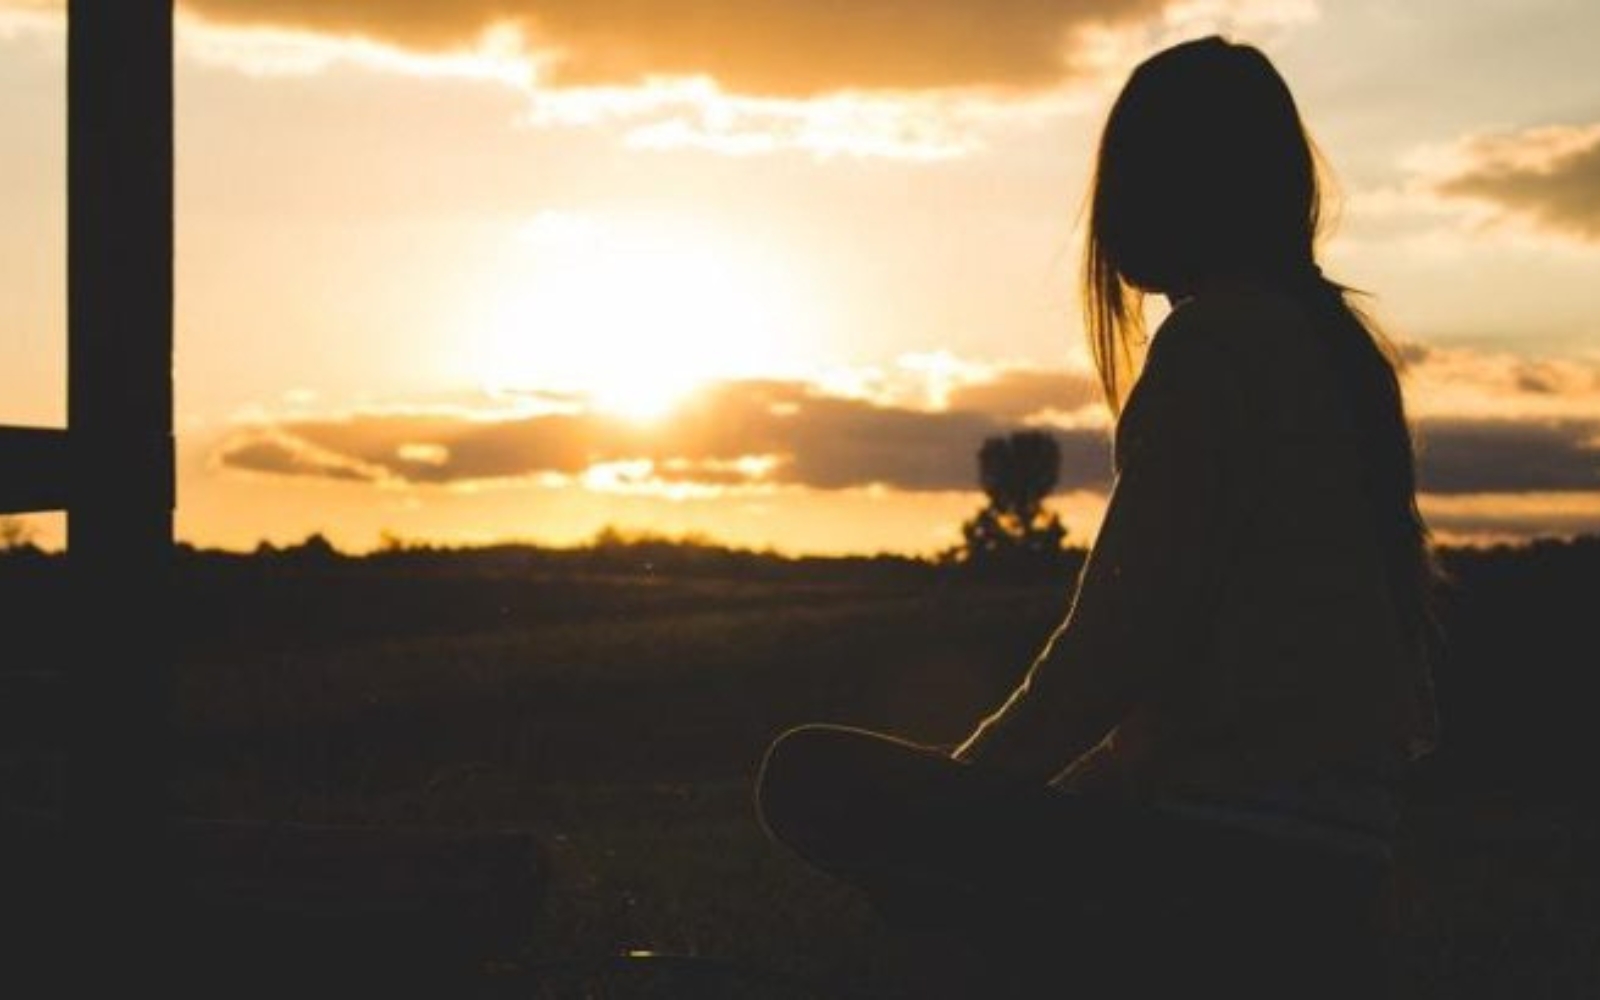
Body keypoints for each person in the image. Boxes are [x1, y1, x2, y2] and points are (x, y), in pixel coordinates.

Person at [755, 34, 1440, 996]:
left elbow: (1119, 640)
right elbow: (1195, 687)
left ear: (1174, 187)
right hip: (1334, 869)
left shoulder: (1216, 344)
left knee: (808, 775)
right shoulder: (1338, 352)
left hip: (1226, 872)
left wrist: (964, 798)